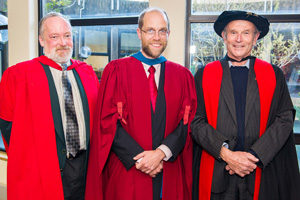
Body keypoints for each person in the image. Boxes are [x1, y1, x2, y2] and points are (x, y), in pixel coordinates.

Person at [85, 7, 197, 200]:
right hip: (129, 169)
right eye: (150, 30)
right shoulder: (116, 70)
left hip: (168, 168)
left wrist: (161, 153)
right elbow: (107, 121)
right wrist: (143, 160)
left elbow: (186, 123)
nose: (156, 37)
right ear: (139, 33)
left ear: (168, 34)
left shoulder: (182, 75)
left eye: (162, 31)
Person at [191, 10, 300, 200]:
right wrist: (227, 154)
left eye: (246, 33)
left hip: (260, 171)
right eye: (233, 32)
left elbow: (285, 119)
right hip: (217, 173)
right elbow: (196, 120)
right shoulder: (205, 74)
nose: (239, 39)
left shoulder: (273, 75)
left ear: (256, 37)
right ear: (224, 36)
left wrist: (253, 156)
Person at [0, 12, 99, 200]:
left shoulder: (86, 73)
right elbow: (7, 125)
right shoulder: (18, 76)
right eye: (54, 37)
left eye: (67, 35)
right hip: (42, 171)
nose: (63, 42)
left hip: (84, 168)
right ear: (41, 40)